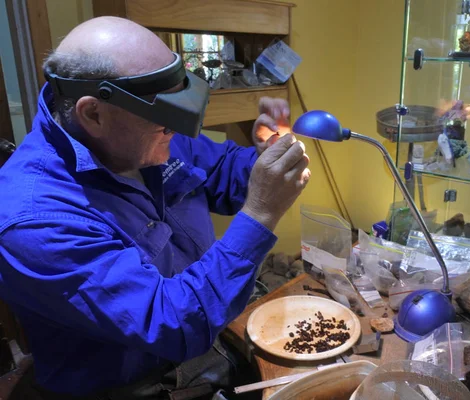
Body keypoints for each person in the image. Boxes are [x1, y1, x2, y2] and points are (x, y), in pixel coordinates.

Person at [0, 16, 310, 400]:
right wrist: (261, 213)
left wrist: (267, 157)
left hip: (204, 333)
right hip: (130, 383)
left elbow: (223, 172)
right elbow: (173, 325)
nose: (176, 131)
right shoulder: (37, 223)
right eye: (165, 121)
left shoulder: (139, 132)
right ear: (94, 113)